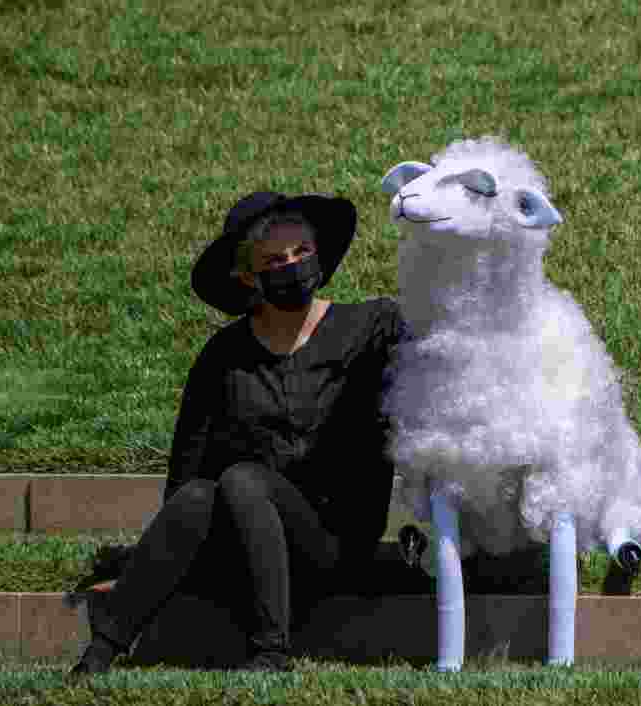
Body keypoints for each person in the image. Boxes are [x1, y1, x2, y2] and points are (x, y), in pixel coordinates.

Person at [69, 191, 411, 677]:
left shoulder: (373, 327)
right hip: (245, 548)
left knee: (245, 479)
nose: (292, 267)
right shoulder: (223, 357)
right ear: (247, 275)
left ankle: (272, 652)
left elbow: (443, 362)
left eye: (301, 253)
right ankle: (99, 654)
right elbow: (186, 476)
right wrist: (147, 563)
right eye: (275, 260)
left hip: (334, 545)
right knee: (199, 496)